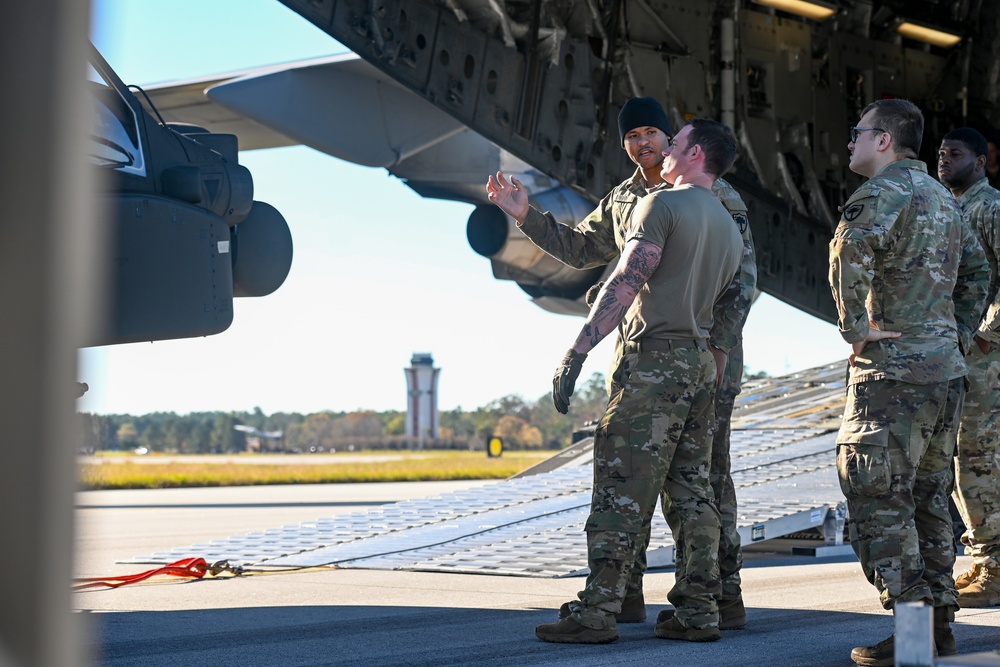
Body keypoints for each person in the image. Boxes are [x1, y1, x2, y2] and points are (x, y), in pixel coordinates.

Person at [486, 96, 757, 630]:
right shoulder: (627, 197)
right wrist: (525, 216)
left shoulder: (714, 196)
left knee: (664, 479)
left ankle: (718, 595)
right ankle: (635, 595)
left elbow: (739, 285)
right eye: (632, 135)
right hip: (656, 352)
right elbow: (581, 247)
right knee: (676, 481)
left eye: (655, 133)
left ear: (679, 143)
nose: (644, 143)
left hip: (692, 353)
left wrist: (720, 350)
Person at [828, 100, 990, 667]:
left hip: (893, 373)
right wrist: (958, 332)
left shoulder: (883, 193)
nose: (850, 143)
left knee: (877, 499)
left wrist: (856, 329)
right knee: (926, 499)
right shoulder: (946, 199)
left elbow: (849, 250)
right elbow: (979, 271)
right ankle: (939, 629)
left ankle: (915, 637)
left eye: (857, 133)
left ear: (884, 140)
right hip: (944, 371)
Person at [937, 127, 1000, 608]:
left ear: (981, 161)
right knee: (962, 458)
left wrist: (985, 335)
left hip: (984, 357)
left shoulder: (991, 207)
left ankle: (995, 568)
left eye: (955, 154)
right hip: (958, 352)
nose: (944, 160)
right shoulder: (950, 209)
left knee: (979, 459)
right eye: (940, 153)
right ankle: (984, 561)